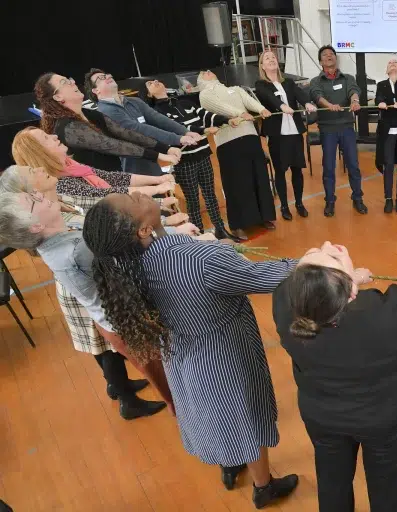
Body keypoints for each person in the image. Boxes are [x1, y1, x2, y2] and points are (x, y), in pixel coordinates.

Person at [82, 192, 299, 505]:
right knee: (244, 416)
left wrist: (213, 250)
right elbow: (263, 277)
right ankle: (263, 487)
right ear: (142, 230)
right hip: (225, 353)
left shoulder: (127, 269)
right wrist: (314, 263)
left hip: (183, 356)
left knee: (216, 415)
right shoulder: (197, 260)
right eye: (134, 200)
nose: (140, 194)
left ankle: (229, 464)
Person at [273, 243, 397, 512]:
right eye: (331, 255)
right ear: (352, 292)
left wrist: (348, 276)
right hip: (383, 418)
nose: (328, 244)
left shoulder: (285, 303)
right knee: (388, 487)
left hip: (322, 416)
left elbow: (317, 291)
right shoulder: (384, 314)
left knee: (332, 484)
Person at [0, 190, 173, 420]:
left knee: (157, 372)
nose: (41, 195)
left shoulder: (53, 243)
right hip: (125, 324)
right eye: (35, 201)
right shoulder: (76, 250)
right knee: (168, 380)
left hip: (112, 321)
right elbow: (132, 255)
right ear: (35, 227)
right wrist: (166, 229)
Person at [142, 78, 235, 240]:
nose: (156, 81)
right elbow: (179, 127)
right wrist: (203, 129)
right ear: (149, 93)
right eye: (150, 83)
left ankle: (220, 230)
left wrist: (228, 119)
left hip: (203, 154)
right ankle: (198, 234)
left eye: (157, 80)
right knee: (192, 201)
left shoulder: (184, 102)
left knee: (210, 195)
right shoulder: (155, 113)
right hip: (184, 161)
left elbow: (205, 114)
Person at [33, 72, 179, 172]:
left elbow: (125, 133)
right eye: (64, 82)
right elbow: (113, 145)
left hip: (115, 179)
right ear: (57, 97)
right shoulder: (68, 127)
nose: (73, 83)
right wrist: (159, 155)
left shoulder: (90, 113)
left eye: (69, 79)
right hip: (99, 192)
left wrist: (165, 148)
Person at [198, 70, 277, 238]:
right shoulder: (205, 94)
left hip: (250, 137)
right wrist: (240, 113)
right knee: (236, 183)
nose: (208, 71)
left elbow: (249, 101)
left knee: (259, 177)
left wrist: (261, 109)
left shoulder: (235, 89)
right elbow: (220, 108)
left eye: (209, 70)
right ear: (201, 81)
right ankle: (238, 224)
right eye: (203, 73)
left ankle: (263, 216)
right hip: (228, 143)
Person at [87, 69, 202, 177]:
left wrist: (185, 131)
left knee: (160, 193)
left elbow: (158, 118)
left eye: (106, 74)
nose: (107, 76)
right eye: (101, 78)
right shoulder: (105, 111)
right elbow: (137, 129)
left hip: (151, 160)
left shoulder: (134, 101)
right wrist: (177, 138)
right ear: (96, 90)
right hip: (131, 169)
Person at [12, 127, 175, 199]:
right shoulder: (58, 184)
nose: (54, 136)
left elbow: (113, 178)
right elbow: (107, 195)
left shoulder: (72, 166)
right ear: (40, 154)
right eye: (47, 138)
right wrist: (157, 189)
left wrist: (158, 180)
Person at [254, 49, 315, 221]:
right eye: (267, 58)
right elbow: (269, 98)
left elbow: (299, 94)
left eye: (273, 57)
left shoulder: (288, 82)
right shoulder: (261, 85)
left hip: (294, 131)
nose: (271, 59)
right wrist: (281, 106)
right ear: (262, 66)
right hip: (277, 134)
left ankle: (299, 203)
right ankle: (284, 206)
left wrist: (308, 103)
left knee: (297, 170)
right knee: (280, 171)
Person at [308, 45, 368, 217]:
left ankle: (357, 198)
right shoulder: (316, 81)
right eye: (325, 55)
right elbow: (317, 96)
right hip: (328, 130)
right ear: (321, 62)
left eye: (331, 54)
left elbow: (353, 91)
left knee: (353, 166)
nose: (329, 56)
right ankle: (330, 201)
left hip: (347, 127)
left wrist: (355, 101)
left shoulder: (347, 77)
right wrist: (329, 105)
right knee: (329, 167)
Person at [375, 59, 397, 214]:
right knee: (388, 165)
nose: (393, 64)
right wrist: (381, 102)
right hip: (388, 131)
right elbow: (379, 98)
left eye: (396, 63)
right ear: (386, 70)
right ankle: (388, 198)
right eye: (390, 63)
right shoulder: (381, 85)